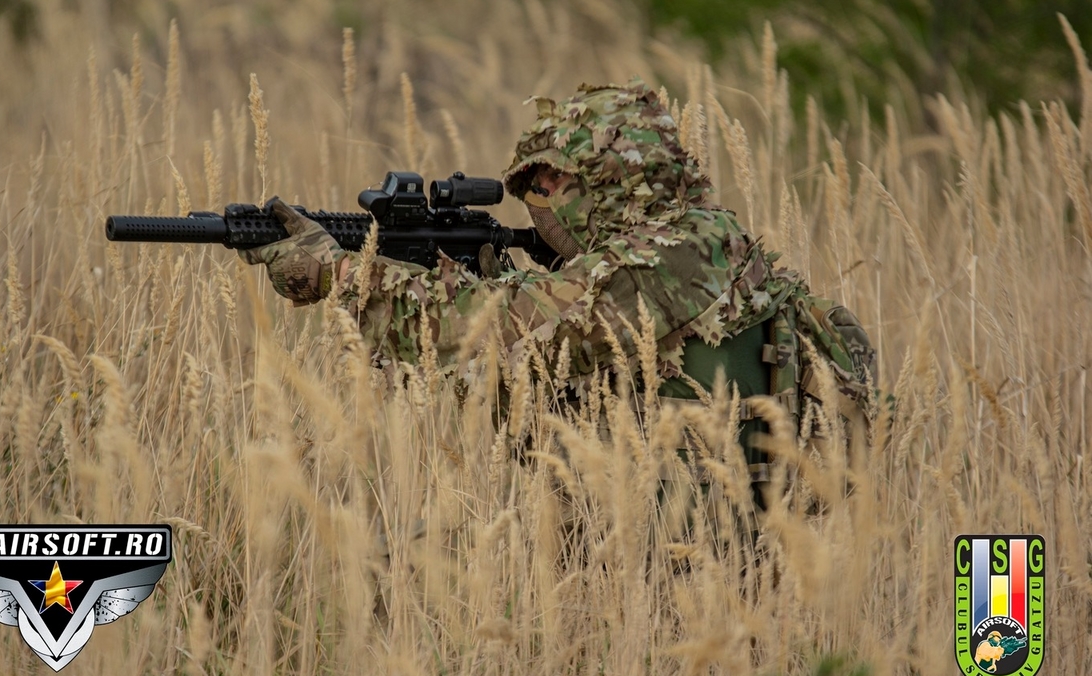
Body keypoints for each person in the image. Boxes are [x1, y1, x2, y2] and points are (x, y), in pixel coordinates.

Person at [240, 79, 877, 506]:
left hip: (682, 563)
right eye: (532, 188)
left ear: (613, 178)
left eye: (553, 184)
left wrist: (341, 274)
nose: (538, 204)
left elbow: (490, 331)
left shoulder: (671, 255)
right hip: (672, 541)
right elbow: (550, 349)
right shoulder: (701, 237)